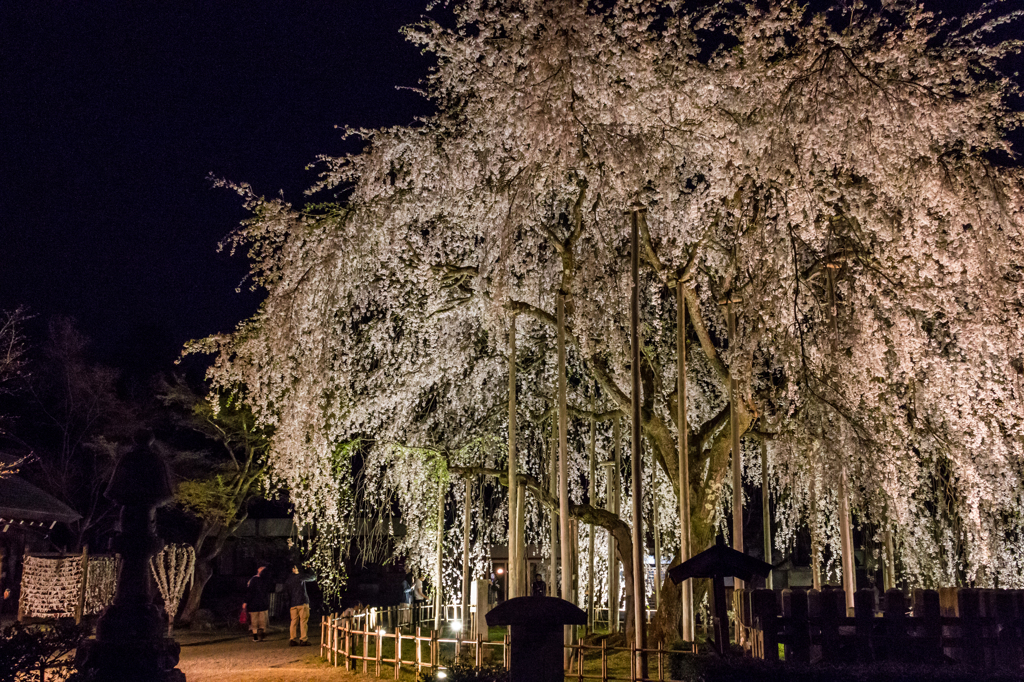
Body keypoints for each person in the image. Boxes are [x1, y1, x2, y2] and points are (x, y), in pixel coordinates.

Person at [283, 564, 316, 646]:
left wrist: (289, 602)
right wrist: (310, 568)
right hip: (302, 602)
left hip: (293, 603)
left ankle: (292, 639)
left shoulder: (288, 580)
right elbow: (313, 577)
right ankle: (303, 639)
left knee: (293, 622)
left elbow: (286, 594)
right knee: (303, 621)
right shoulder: (300, 577)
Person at [243, 563, 271, 642]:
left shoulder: (253, 579)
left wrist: (245, 602)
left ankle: (256, 636)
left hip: (254, 604)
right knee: (262, 621)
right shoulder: (266, 581)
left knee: (254, 621)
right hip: (263, 604)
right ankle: (261, 633)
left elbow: (249, 592)